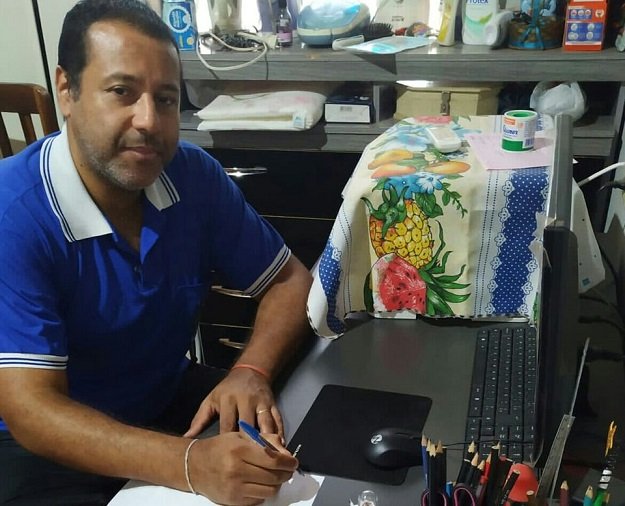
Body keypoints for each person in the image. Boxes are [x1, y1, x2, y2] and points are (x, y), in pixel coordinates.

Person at [0, 0, 312, 504]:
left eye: (166, 99)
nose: (148, 120)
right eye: (121, 91)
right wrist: (189, 464)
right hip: (42, 443)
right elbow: (30, 410)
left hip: (161, 396)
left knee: (300, 440)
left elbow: (289, 281)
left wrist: (249, 371)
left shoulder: (193, 175)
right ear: (67, 90)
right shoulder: (13, 214)